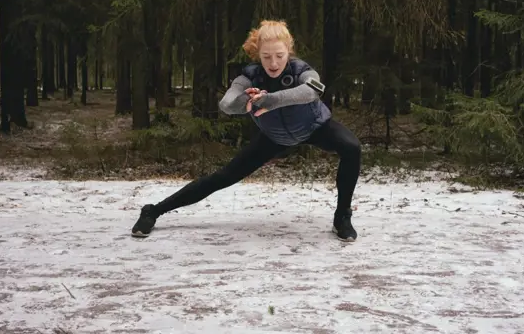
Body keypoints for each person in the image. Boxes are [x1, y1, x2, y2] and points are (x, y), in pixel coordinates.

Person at [131, 20, 362, 241]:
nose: (273, 63)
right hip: (273, 137)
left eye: (279, 56)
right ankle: (153, 211)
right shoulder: (249, 77)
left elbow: (312, 91)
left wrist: (269, 100)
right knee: (222, 178)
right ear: (257, 53)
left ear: (289, 51)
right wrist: (247, 100)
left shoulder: (301, 69)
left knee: (352, 148)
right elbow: (227, 104)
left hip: (315, 127)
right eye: (266, 57)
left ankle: (342, 217)